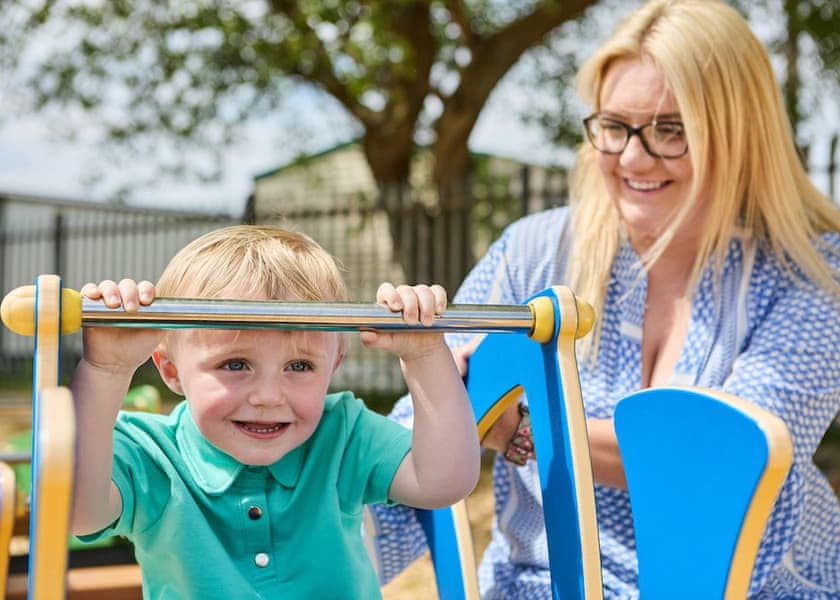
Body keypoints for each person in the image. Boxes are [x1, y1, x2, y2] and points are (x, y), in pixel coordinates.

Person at [367, 0, 840, 597]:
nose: (634, 158)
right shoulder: (534, 251)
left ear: (740, 134)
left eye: (671, 130)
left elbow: (724, 459)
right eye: (615, 127)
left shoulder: (815, 270)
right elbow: (412, 439)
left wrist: (519, 426)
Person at [69, 225, 480, 599]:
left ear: (333, 366)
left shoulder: (343, 434)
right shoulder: (153, 455)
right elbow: (77, 513)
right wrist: (106, 370)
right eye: (235, 364)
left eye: (299, 366)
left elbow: (443, 482)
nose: (268, 396)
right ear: (171, 370)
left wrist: (425, 355)